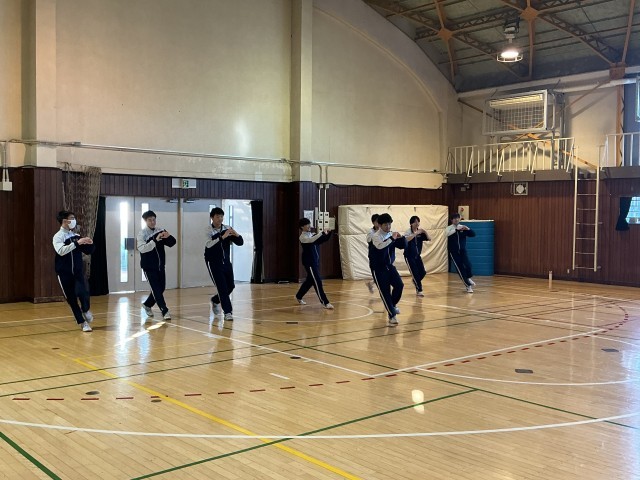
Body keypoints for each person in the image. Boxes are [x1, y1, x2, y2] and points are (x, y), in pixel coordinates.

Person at [52, 211, 96, 332]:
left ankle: (85, 309)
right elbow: (61, 251)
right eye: (72, 218)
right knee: (71, 299)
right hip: (64, 274)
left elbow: (88, 250)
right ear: (65, 221)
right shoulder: (58, 237)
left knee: (84, 292)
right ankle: (82, 323)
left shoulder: (76, 235)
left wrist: (90, 243)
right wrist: (77, 243)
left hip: (77, 272)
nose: (74, 220)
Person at [205, 207, 244, 321]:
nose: (220, 219)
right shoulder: (207, 230)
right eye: (217, 217)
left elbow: (240, 243)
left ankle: (215, 300)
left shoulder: (227, 228)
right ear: (212, 218)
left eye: (221, 216)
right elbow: (209, 245)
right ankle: (228, 312)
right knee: (222, 288)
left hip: (226, 262)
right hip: (213, 263)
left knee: (230, 286)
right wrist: (222, 237)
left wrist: (236, 234)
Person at [137, 210, 177, 320]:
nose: (152, 222)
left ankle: (147, 305)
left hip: (160, 266)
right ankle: (164, 310)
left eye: (154, 219)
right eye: (149, 220)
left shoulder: (160, 230)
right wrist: (154, 240)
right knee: (156, 289)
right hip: (148, 267)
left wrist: (168, 236)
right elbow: (142, 249)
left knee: (161, 288)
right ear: (145, 221)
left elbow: (172, 243)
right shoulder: (142, 234)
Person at [370, 213, 406, 326]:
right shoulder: (375, 236)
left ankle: (392, 306)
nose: (388, 227)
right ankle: (392, 316)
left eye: (390, 224)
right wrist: (392, 238)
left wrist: (401, 237)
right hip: (378, 269)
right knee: (385, 292)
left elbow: (403, 245)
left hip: (389, 266)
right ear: (380, 225)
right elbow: (381, 247)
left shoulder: (391, 234)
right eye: (386, 225)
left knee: (399, 285)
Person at [295, 218, 334, 309]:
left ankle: (299, 296)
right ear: (302, 227)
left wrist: (329, 232)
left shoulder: (312, 235)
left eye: (309, 224)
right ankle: (325, 302)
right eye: (307, 225)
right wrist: (322, 232)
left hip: (315, 262)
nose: (309, 226)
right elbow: (312, 240)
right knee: (317, 281)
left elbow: (323, 239)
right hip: (309, 263)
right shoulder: (303, 237)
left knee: (310, 281)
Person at [446, 213, 476, 293]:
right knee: (460, 269)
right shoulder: (449, 228)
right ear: (451, 220)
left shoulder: (462, 227)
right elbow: (446, 234)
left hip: (463, 251)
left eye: (458, 218)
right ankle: (468, 286)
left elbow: (473, 234)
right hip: (454, 252)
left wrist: (468, 229)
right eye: (454, 218)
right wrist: (456, 230)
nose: (456, 219)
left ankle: (468, 277)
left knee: (468, 265)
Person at [404, 216, 430, 297]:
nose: (417, 223)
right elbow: (406, 240)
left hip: (417, 256)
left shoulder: (420, 232)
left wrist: (424, 232)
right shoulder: (408, 232)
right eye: (415, 222)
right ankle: (419, 290)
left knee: (423, 272)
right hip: (409, 256)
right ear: (411, 223)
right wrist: (415, 234)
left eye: (418, 222)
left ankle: (415, 281)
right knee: (415, 273)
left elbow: (429, 239)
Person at [366, 214, 379, 293]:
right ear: (373, 223)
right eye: (377, 221)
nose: (378, 223)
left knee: (382, 275)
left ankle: (371, 283)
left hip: (382, 256)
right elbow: (369, 240)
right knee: (377, 275)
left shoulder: (383, 230)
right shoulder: (371, 231)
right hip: (373, 256)